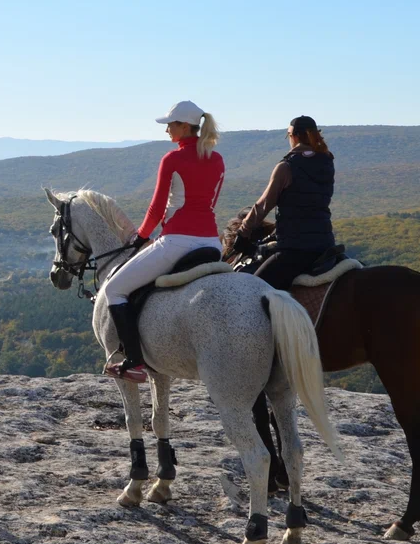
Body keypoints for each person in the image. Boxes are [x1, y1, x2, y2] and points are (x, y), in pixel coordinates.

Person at [102, 101, 224, 382]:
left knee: (115, 290)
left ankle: (133, 361)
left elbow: (157, 208)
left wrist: (141, 237)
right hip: (212, 244)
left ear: (184, 126)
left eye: (170, 125)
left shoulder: (172, 159)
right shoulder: (217, 159)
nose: (167, 130)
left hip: (176, 242)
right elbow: (211, 203)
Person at [234, 115, 335, 291]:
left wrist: (243, 233)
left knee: (251, 291)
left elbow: (263, 204)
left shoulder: (286, 166)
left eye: (288, 135)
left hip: (295, 248)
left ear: (294, 136)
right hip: (325, 244)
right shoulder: (327, 161)